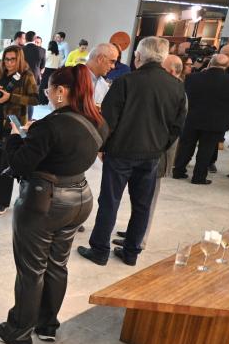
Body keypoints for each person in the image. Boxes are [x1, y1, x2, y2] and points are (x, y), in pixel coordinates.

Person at [0, 65, 108, 344]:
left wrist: (17, 136)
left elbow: (18, 165)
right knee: (57, 264)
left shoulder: (49, 126)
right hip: (80, 198)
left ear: (61, 91)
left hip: (45, 201)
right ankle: (47, 325)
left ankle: (18, 330)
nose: (48, 93)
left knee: (31, 269)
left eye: (50, 88)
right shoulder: (98, 121)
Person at [79, 37, 186, 266]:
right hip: (151, 155)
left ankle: (99, 250)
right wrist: (160, 146)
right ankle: (131, 253)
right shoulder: (176, 86)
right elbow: (177, 125)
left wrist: (103, 147)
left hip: (120, 152)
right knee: (142, 205)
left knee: (110, 201)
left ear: (139, 57)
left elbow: (108, 120)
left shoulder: (126, 82)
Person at [115, 55, 184, 250]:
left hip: (157, 155)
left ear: (171, 70)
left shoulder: (176, 90)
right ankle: (133, 235)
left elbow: (176, 128)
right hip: (151, 151)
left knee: (148, 200)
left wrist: (160, 147)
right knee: (142, 200)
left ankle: (139, 240)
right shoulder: (170, 88)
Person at [0, 45, 39, 215]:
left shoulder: (27, 76)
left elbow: (35, 99)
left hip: (12, 127)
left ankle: (3, 201)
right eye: (6, 59)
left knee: (6, 165)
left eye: (12, 59)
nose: (9, 63)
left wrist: (11, 97)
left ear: (19, 59)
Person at [172, 53, 229, 184]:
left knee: (186, 146)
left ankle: (178, 171)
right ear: (226, 66)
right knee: (206, 150)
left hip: (191, 119)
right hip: (216, 122)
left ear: (210, 63)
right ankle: (199, 177)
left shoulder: (192, 78)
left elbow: (183, 100)